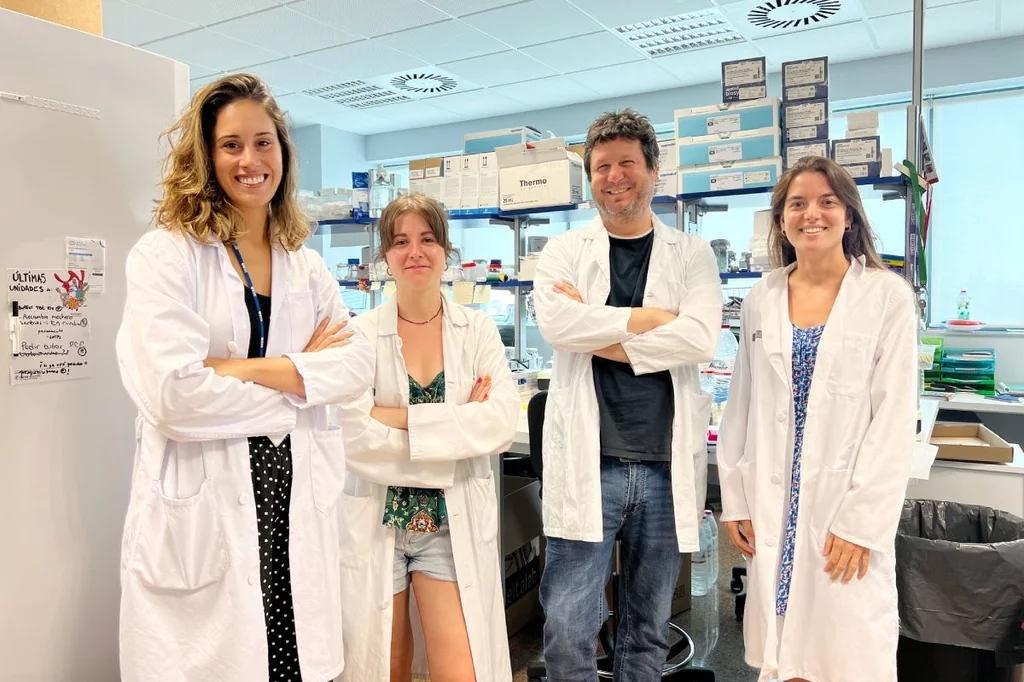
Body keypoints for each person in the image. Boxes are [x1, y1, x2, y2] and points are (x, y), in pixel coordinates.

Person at [115, 73, 375, 682]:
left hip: (293, 506)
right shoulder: (167, 255)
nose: (250, 160)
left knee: (290, 662)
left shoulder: (306, 266)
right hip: (206, 512)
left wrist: (235, 370)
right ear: (207, 156)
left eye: (263, 142)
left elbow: (356, 365)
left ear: (283, 151)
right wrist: (299, 387)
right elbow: (173, 396)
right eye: (231, 145)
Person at [533, 109, 724, 681]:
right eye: (601, 168)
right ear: (590, 178)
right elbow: (559, 328)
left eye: (627, 164)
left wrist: (602, 331)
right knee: (568, 627)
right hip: (590, 464)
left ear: (653, 171)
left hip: (665, 466)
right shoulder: (563, 252)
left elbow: (699, 338)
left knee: (648, 628)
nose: (614, 177)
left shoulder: (691, 253)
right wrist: (650, 320)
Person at [717, 156, 918, 682]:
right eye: (798, 204)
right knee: (784, 651)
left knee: (843, 654)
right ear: (781, 219)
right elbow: (742, 403)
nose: (813, 214)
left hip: (842, 512)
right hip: (773, 502)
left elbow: (895, 418)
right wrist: (735, 498)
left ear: (849, 216)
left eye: (828, 202)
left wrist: (863, 522)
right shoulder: (762, 296)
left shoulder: (886, 296)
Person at [334, 194, 519, 682]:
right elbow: (352, 435)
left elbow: (498, 421)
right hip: (379, 520)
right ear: (385, 258)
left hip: (447, 524)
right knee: (384, 666)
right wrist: (453, 428)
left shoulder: (476, 330)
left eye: (427, 239)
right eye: (400, 242)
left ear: (446, 251)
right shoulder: (359, 335)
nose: (414, 251)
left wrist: (389, 416)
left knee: (461, 670)